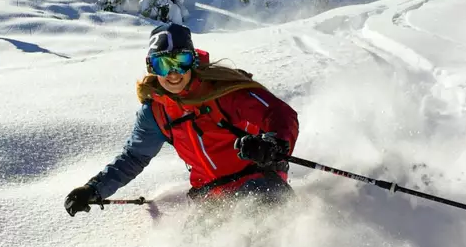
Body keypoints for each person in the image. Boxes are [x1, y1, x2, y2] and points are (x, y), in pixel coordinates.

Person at [64, 22, 299, 216]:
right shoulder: (156, 112)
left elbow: (279, 114)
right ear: (151, 68)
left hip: (258, 180)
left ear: (193, 62)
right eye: (163, 64)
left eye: (181, 61)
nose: (173, 73)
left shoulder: (224, 93)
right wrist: (93, 189)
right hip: (211, 196)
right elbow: (134, 157)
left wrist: (273, 142)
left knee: (266, 232)